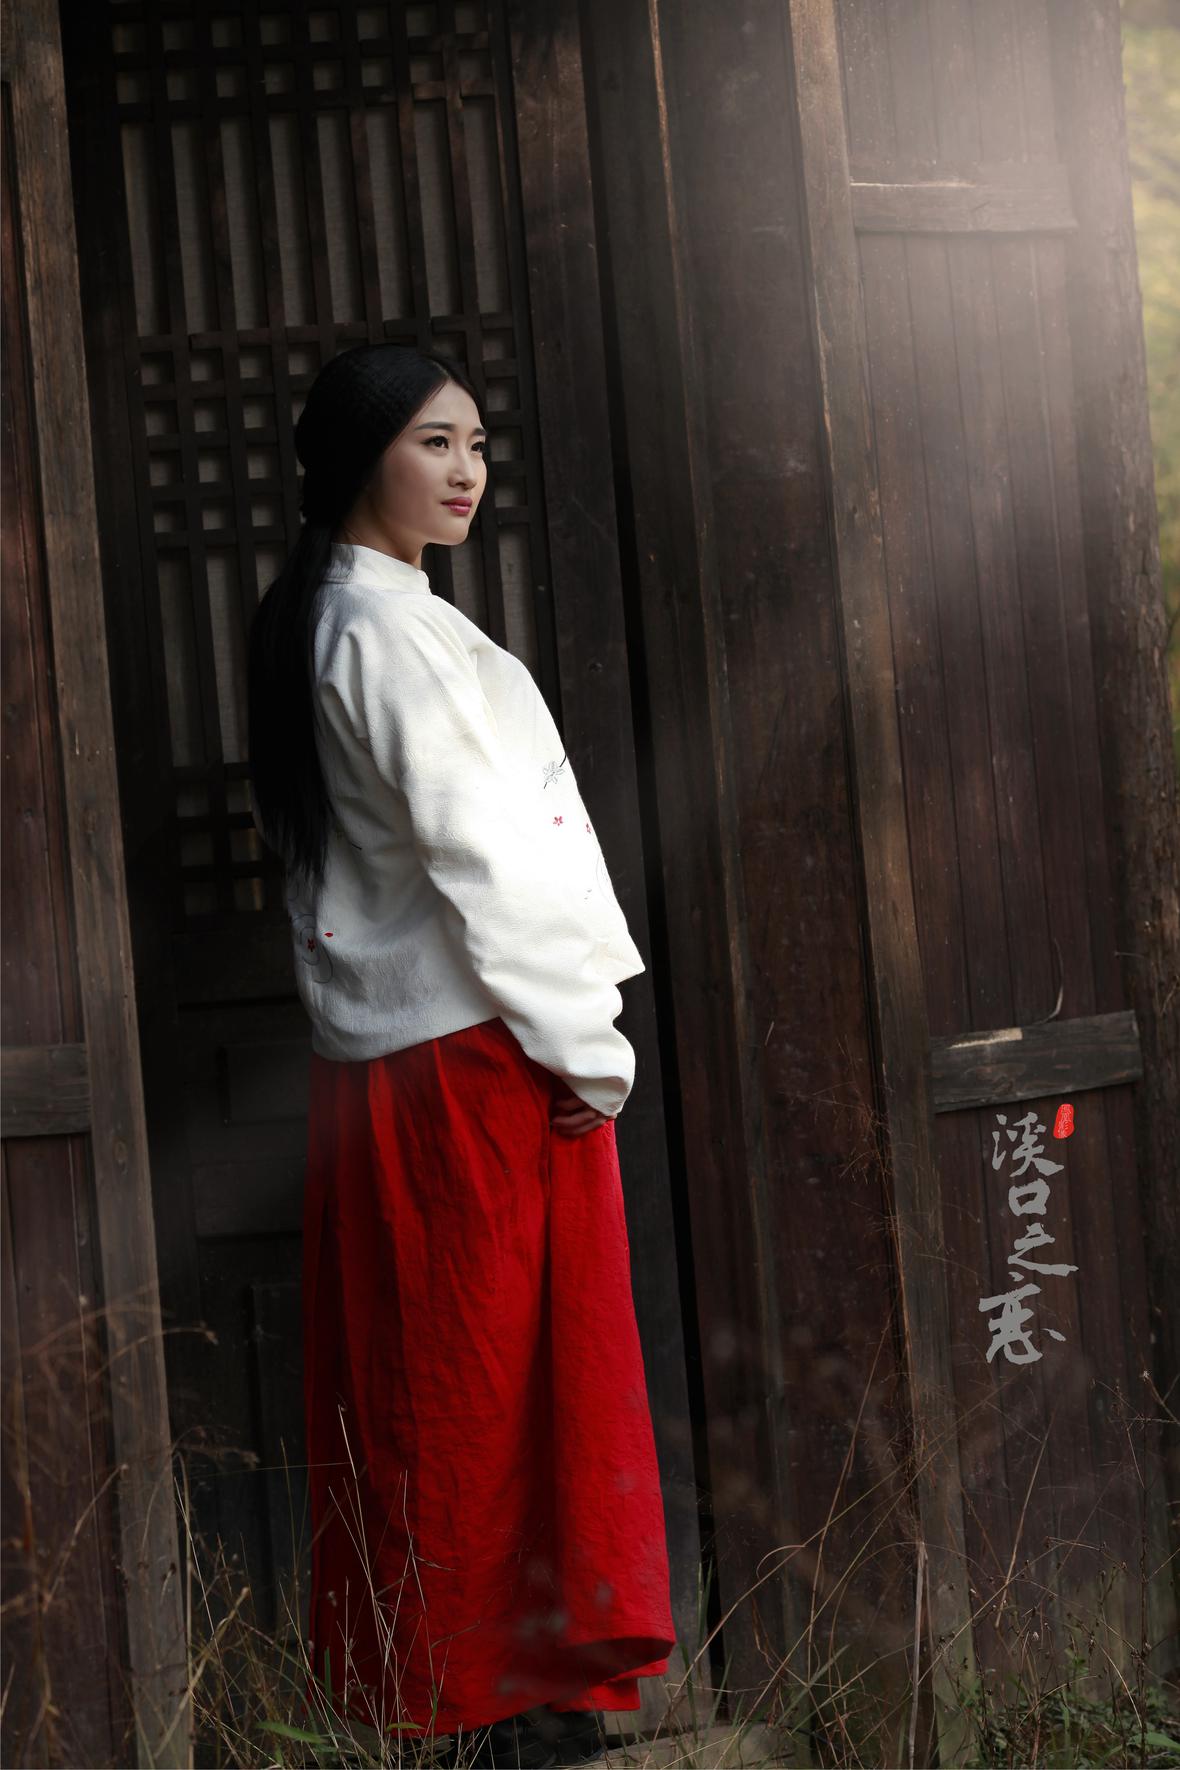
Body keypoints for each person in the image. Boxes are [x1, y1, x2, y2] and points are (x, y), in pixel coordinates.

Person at [246, 344, 676, 1767]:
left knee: (469, 1380)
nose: (467, 470)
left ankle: (505, 1700)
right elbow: (483, 857)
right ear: (357, 456)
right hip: (474, 1059)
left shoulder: (373, 619)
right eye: (433, 441)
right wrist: (585, 1046)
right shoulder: (374, 634)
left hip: (431, 1060)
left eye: (476, 443)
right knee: (476, 1389)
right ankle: (485, 1710)